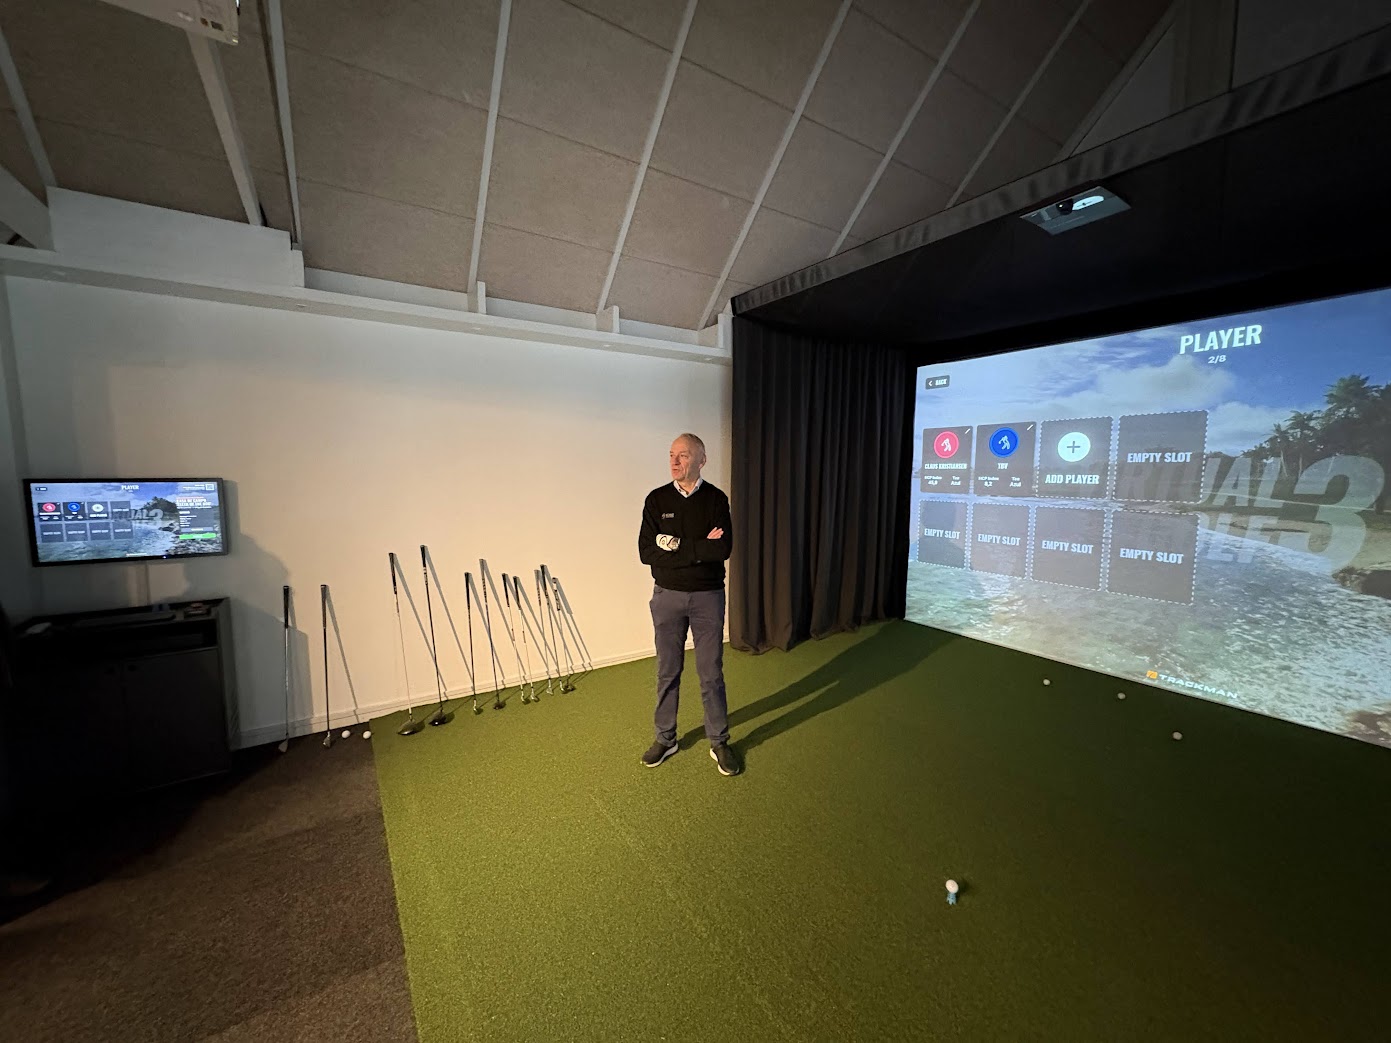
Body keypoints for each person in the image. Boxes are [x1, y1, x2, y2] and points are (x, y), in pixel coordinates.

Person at [638, 434, 740, 776]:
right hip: (667, 597)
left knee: (711, 673)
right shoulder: (656, 500)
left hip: (708, 597)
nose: (674, 461)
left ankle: (719, 741)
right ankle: (665, 738)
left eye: (682, 455)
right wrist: (698, 547)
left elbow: (721, 549)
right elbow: (646, 552)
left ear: (701, 460)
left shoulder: (716, 500)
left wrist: (672, 545)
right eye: (671, 455)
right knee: (667, 670)